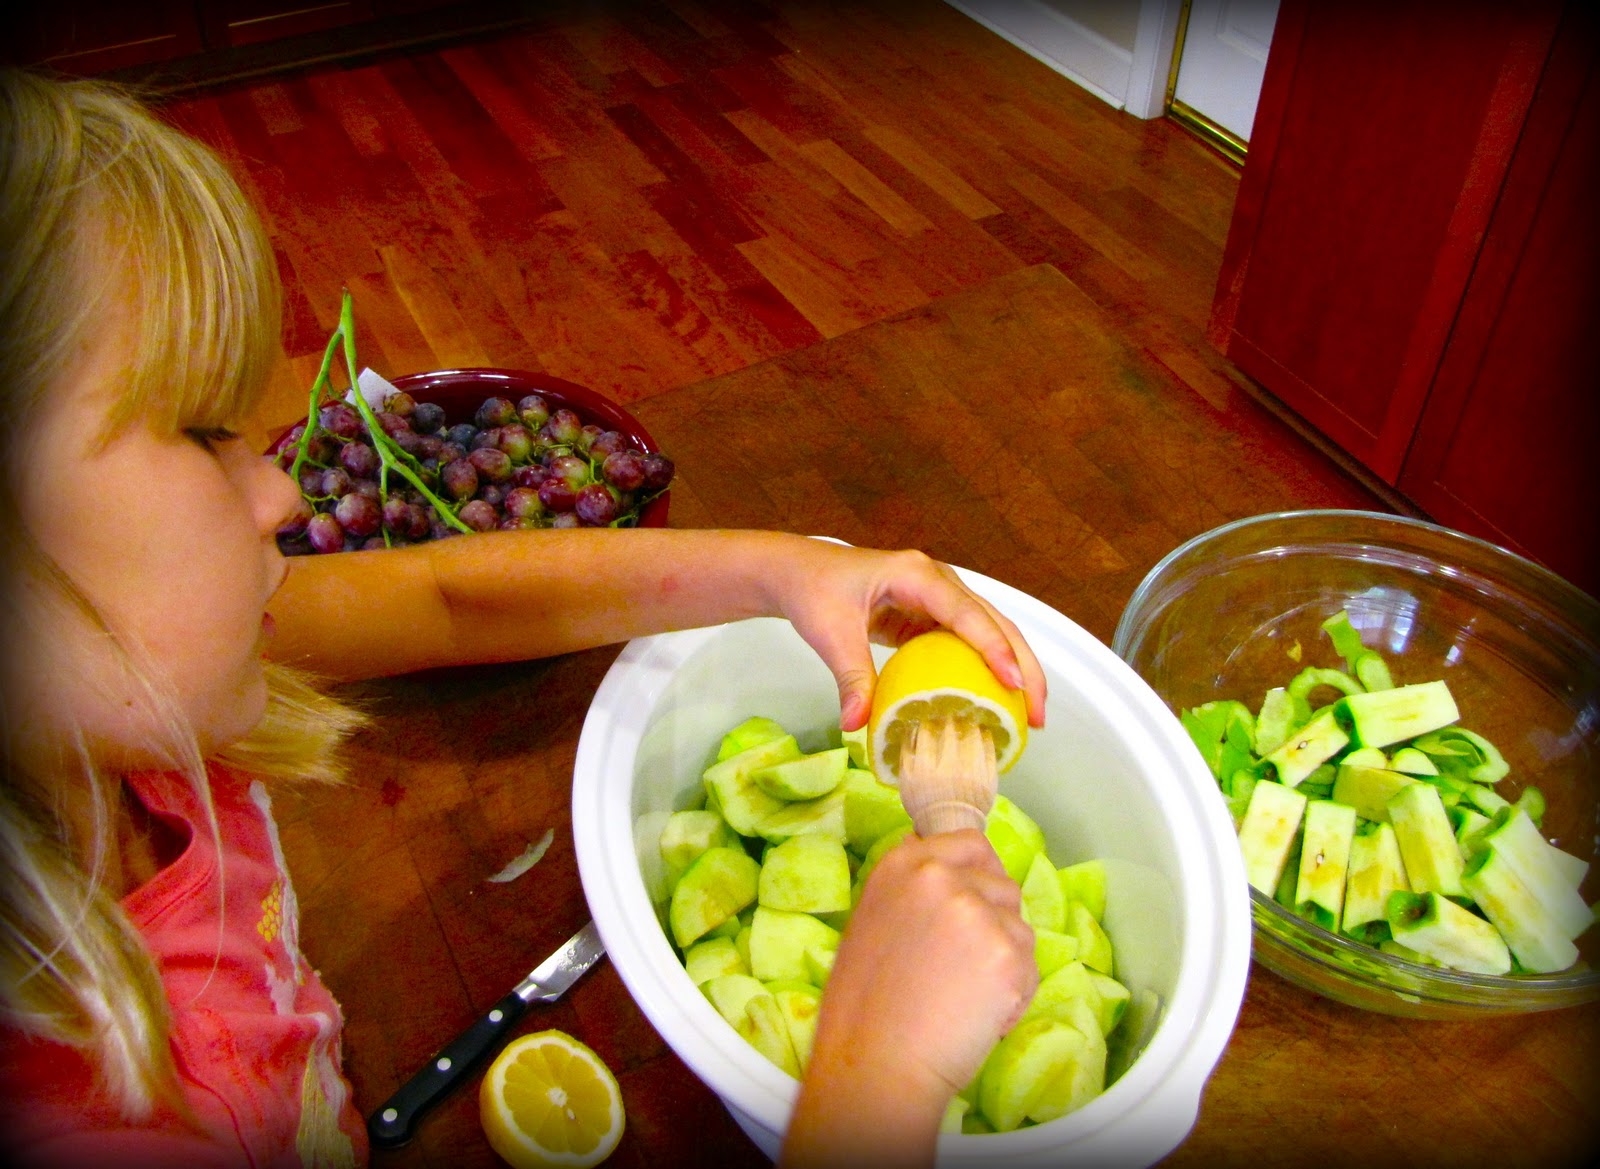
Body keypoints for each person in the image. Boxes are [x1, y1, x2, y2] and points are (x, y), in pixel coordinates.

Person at [0, 69, 1042, 1167]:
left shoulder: (125, 704)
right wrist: (881, 1075)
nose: (283, 493)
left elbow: (444, 595)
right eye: (204, 432)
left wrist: (784, 569)